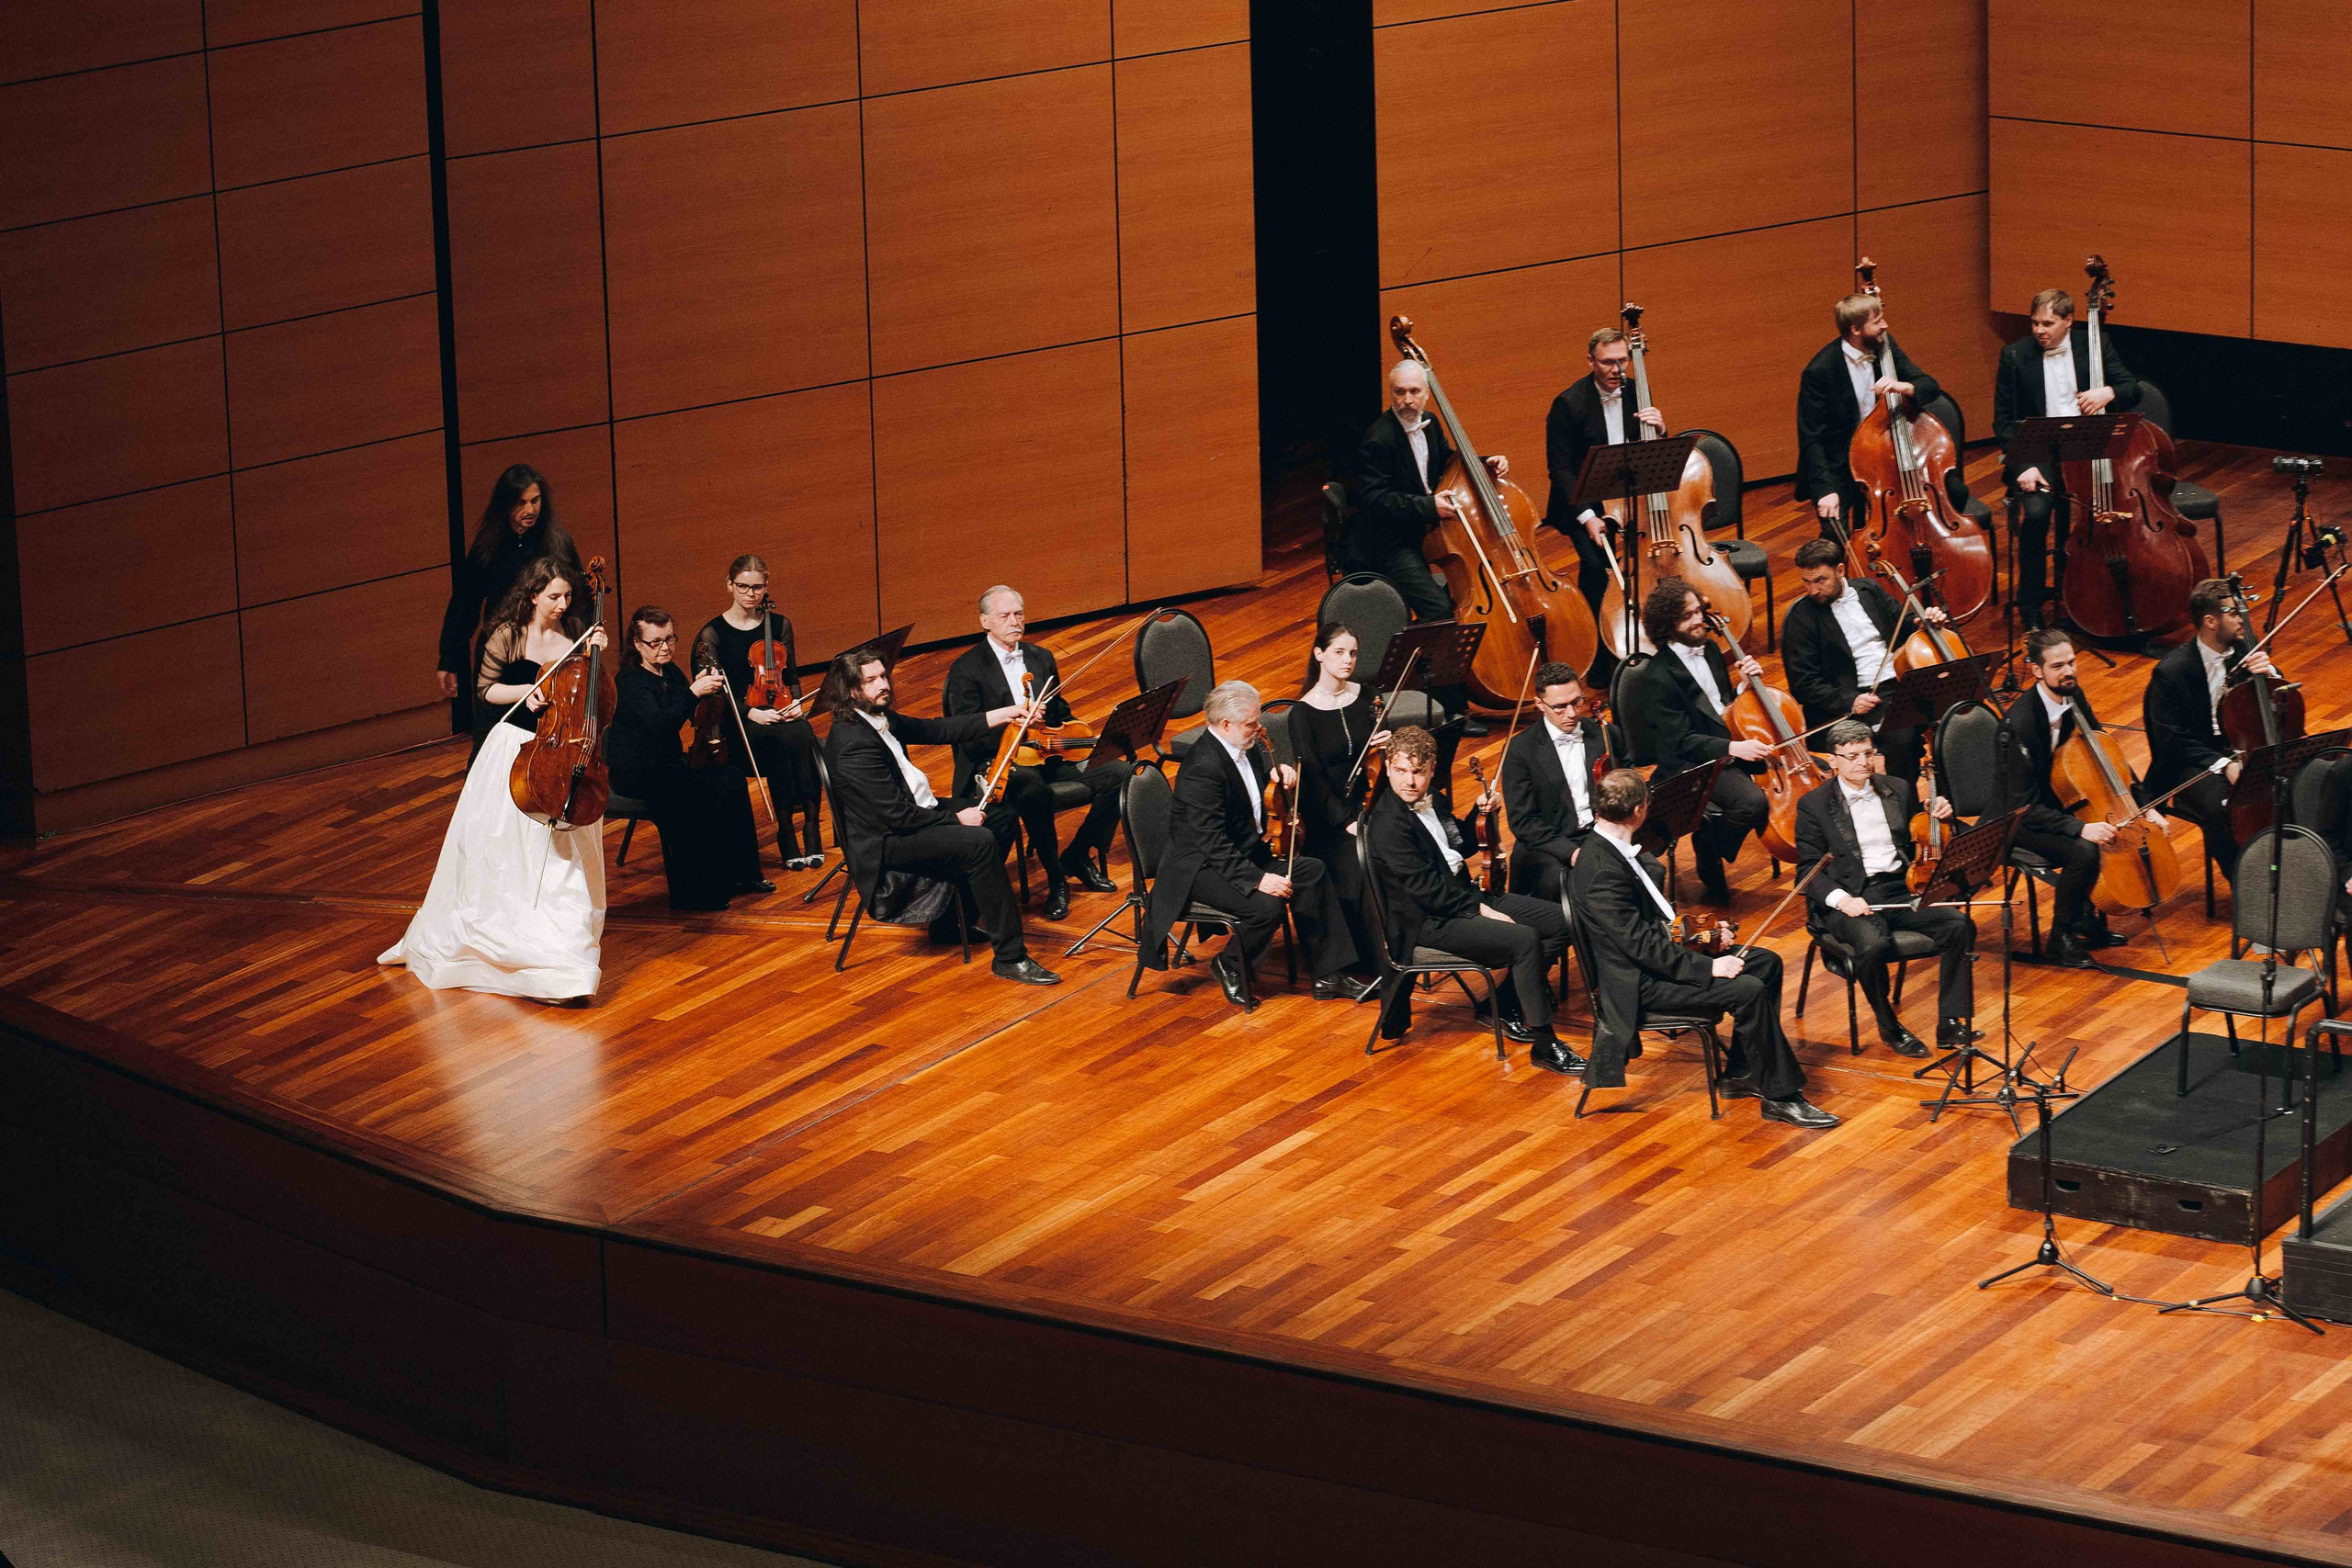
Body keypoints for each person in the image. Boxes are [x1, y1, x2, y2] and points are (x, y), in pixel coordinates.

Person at [384, 557, 606, 1001]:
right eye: (554, 597)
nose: (563, 604)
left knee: (561, 861)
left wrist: (596, 650)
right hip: (515, 751)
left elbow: (587, 691)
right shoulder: (507, 635)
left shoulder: (577, 632)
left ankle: (561, 953)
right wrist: (527, 693)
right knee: (504, 857)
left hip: (563, 754)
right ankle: (514, 947)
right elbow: (485, 692)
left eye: (567, 596)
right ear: (533, 595)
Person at [1570, 769, 1836, 1127]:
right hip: (1638, 985)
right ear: (1638, 812)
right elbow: (1640, 946)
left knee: (1765, 963)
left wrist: (1703, 937)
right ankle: (1781, 1097)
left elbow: (1648, 930)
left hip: (1653, 964)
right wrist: (1709, 966)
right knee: (1747, 989)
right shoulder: (1601, 868)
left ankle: (1742, 1072)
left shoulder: (1611, 850)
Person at [821, 648, 1061, 986]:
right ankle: (1010, 957)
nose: (882, 685)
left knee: (1001, 816)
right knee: (978, 840)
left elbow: (938, 730)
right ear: (850, 691)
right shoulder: (853, 744)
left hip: (918, 813)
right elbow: (897, 816)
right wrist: (956, 821)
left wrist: (1010, 712)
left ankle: (950, 922)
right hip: (888, 840)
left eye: (883, 676)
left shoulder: (875, 716)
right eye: (871, 681)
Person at [1139, 681, 1372, 1009]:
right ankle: (1230, 964)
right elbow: (1211, 841)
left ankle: (1328, 975)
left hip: (1243, 851)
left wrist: (1279, 774)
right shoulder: (1202, 768)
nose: (1258, 728)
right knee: (1266, 905)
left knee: (1312, 871)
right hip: (1199, 868)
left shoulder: (1246, 746)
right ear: (1226, 725)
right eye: (1251, 723)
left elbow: (1250, 797)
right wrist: (1258, 879)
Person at [1364, 726, 1577, 1069]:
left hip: (1463, 897)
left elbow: (1457, 846)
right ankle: (1545, 1044)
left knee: (1566, 919)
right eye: (1401, 771)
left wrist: (1482, 814)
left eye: (1418, 772)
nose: (1410, 781)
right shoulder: (1388, 824)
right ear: (1387, 767)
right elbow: (1426, 890)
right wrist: (1481, 911)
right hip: (1428, 921)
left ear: (1432, 768)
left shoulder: (1433, 798)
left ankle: (1504, 1002)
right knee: (1524, 940)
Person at [1794, 720, 1977, 1056]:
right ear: (1832, 760)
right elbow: (1808, 871)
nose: (1862, 762)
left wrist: (1941, 818)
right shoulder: (1814, 805)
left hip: (1899, 888)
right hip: (1848, 898)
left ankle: (1950, 1022)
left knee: (1959, 925)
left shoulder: (1898, 788)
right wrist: (1843, 900)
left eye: (1868, 753)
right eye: (1851, 756)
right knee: (1873, 945)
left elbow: (1918, 839)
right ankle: (1889, 1026)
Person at [1349, 358, 1511, 734]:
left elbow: (1446, 464)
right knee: (1439, 611)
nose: (1407, 399)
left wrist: (1487, 463)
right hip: (1390, 541)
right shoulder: (1378, 438)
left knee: (1460, 599)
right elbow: (1376, 500)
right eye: (1399, 392)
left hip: (1427, 532)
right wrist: (1428, 506)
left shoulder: (1431, 423)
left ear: (1426, 393)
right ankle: (1450, 710)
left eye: (1414, 391)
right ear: (1391, 393)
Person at [942, 586, 1123, 920]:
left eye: (1019, 614)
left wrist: (1059, 723)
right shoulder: (966, 670)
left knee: (1121, 775)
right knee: (1031, 788)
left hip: (1046, 753)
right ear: (985, 621)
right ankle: (1057, 880)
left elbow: (1060, 709)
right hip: (999, 765)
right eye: (1005, 616)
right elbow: (968, 737)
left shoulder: (1041, 658)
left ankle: (1079, 855)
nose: (1015, 622)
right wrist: (1015, 723)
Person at [1996, 628, 2153, 964]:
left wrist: (2142, 805)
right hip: (2017, 817)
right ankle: (2061, 937)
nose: (2068, 671)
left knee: (2102, 828)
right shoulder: (2019, 723)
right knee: (2083, 850)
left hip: (2054, 802)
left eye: (2071, 662)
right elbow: (2021, 804)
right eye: (2057, 666)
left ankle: (2086, 921)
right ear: (2037, 671)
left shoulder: (2073, 695)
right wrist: (2079, 828)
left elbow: (2106, 751)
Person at [1993, 287, 2140, 630]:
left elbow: (2132, 387)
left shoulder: (2095, 344)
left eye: (2047, 323)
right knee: (2037, 514)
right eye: (2034, 323)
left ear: (2069, 321)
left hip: (2086, 450)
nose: (2039, 331)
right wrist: (2023, 465)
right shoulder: (2014, 355)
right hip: (2037, 453)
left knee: (2091, 519)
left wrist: (2109, 391)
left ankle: (2080, 599)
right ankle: (2030, 608)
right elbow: (2003, 421)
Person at [1617, 577, 1770, 903]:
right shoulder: (1656, 676)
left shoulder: (1712, 649)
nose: (1699, 619)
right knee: (1753, 803)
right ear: (1668, 625)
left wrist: (1744, 687)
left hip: (1729, 742)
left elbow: (1721, 706)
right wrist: (1733, 748)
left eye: (1699, 610)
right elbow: (1681, 741)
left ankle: (1710, 836)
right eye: (1688, 615)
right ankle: (1709, 847)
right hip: (1694, 759)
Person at [609, 606, 769, 911]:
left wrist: (708, 685)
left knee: (731, 778)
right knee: (696, 792)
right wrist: (694, 692)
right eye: (655, 642)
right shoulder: (630, 681)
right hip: (637, 770)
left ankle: (743, 874)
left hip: (667, 763)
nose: (665, 647)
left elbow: (690, 708)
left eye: (670, 639)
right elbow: (661, 725)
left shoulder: (668, 670)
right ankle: (699, 892)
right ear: (637, 644)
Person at [1780, 537, 1951, 786]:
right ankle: (1902, 809)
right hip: (1858, 698)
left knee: (1954, 717)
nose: (1812, 590)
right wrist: (1851, 701)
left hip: (1901, 681)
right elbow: (1803, 684)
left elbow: (1901, 624)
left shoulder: (1868, 590)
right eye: (1806, 582)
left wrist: (1923, 621)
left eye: (1820, 580)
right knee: (1902, 739)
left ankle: (1948, 802)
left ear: (1840, 571)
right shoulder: (1801, 618)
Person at [693, 556, 826, 872]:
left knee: (802, 731)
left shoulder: (780, 625)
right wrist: (750, 712)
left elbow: (789, 675)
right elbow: (713, 695)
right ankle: (787, 832)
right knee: (781, 739)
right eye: (743, 587)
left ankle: (811, 826)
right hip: (738, 722)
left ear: (767, 587)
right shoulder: (712, 634)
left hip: (779, 711)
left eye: (757, 587)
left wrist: (796, 703)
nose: (751, 594)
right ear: (729, 585)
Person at [1544, 326, 1665, 674]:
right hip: (1583, 502)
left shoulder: (1635, 391)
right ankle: (1598, 656)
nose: (1617, 370)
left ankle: (1645, 640)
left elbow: (1651, 453)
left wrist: (1660, 431)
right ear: (1590, 362)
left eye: (1622, 361)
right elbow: (1560, 469)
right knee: (1597, 567)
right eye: (1608, 363)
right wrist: (1588, 517)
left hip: (1629, 499)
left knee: (1645, 566)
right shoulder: (1568, 404)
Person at [2143, 579, 2276, 886]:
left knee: (2297, 786)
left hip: (2242, 747)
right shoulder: (2171, 671)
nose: (2242, 618)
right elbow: (2171, 740)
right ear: (2210, 621)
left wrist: (2271, 673)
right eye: (2233, 612)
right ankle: (2247, 889)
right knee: (2223, 809)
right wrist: (2223, 765)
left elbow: (2277, 701)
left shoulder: (2245, 651)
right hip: (2191, 762)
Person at [435, 464, 582, 739]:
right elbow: (465, 604)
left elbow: (578, 598)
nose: (530, 510)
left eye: (535, 501)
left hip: (544, 650)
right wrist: (449, 658)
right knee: (491, 734)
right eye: (521, 503)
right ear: (506, 504)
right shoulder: (488, 545)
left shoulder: (556, 541)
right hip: (502, 647)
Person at [1796, 291, 1942, 543]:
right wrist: (1825, 491)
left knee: (1901, 527)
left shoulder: (1885, 346)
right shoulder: (1820, 371)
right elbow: (1811, 438)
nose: (1884, 325)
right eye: (1877, 321)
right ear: (1855, 329)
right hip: (1838, 465)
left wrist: (1904, 387)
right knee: (1834, 535)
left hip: (1882, 460)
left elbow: (1930, 385)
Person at [1287, 621, 1390, 974]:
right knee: (1360, 861)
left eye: (1353, 653)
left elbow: (1377, 763)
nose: (1348, 660)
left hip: (1371, 804)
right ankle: (1377, 960)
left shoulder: (1368, 697)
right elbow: (1312, 779)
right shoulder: (1302, 713)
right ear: (1319, 655)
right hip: (1329, 821)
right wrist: (1345, 821)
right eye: (1339, 652)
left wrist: (1386, 745)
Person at [1498, 662, 1605, 902]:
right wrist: (1572, 853)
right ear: (1539, 705)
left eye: (1577, 702)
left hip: (1597, 834)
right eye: (1559, 707)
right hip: (1550, 842)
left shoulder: (1604, 734)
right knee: (1561, 883)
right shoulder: (1520, 750)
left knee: (1651, 870)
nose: (1572, 713)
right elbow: (1524, 822)